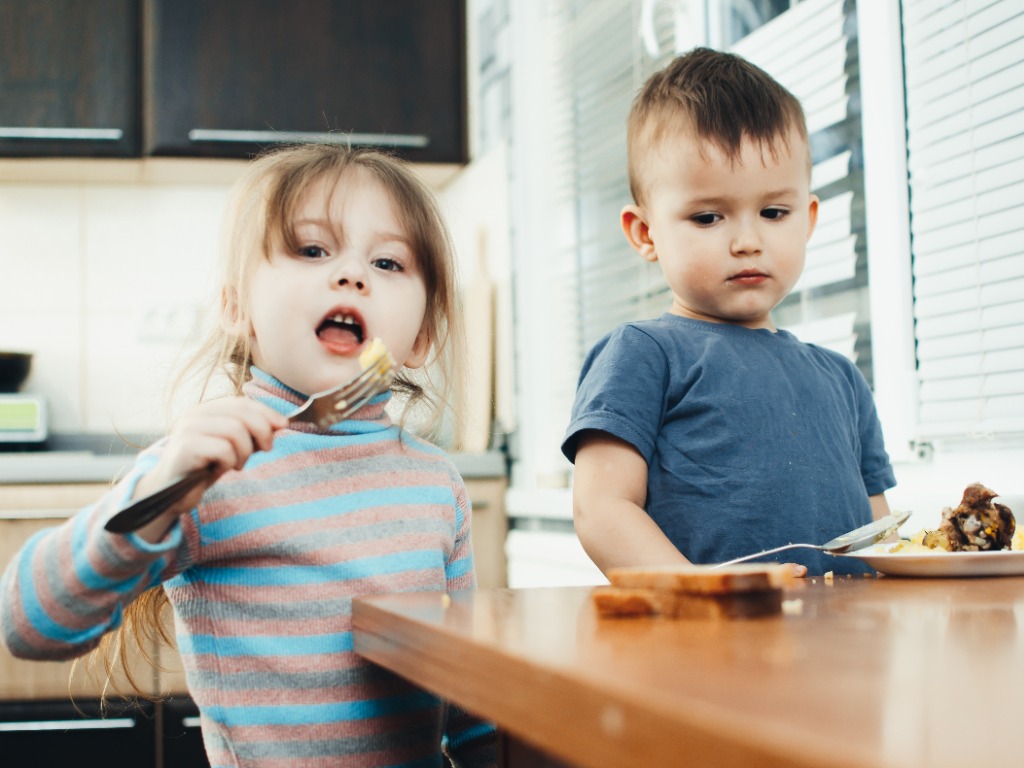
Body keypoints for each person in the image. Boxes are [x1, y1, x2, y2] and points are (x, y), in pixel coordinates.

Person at [0, 143, 496, 767]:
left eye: (388, 262)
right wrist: (159, 491)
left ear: (421, 335)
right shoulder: (205, 473)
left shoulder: (437, 484)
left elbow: (474, 696)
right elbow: (27, 622)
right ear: (238, 308)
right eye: (312, 250)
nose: (352, 275)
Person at [561, 48, 897, 577]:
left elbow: (881, 538)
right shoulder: (643, 353)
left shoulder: (843, 379)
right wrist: (690, 587)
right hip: (709, 646)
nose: (747, 241)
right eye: (708, 216)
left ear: (807, 219)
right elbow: (601, 507)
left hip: (847, 651)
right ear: (646, 233)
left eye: (773, 212)